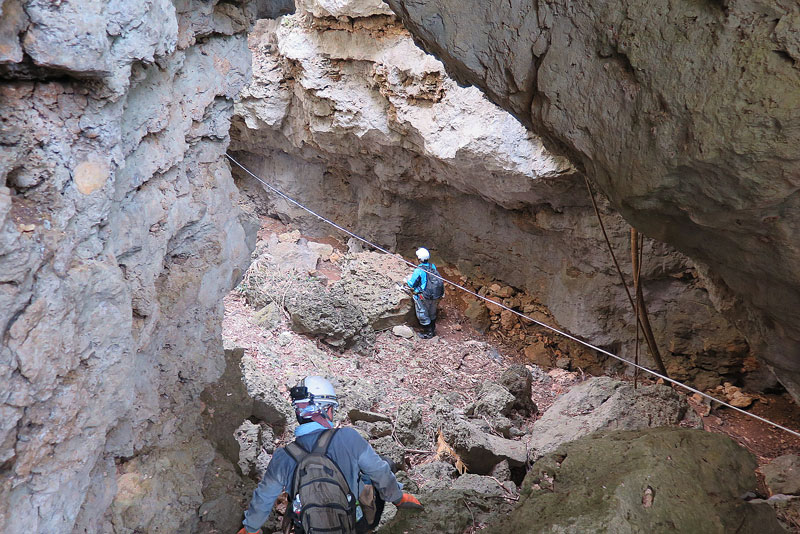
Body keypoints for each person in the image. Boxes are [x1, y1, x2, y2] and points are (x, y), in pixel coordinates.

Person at [237, 376, 422, 534]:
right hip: (353, 525)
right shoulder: (348, 437)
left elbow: (264, 496)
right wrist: (399, 498)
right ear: (324, 410)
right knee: (386, 464)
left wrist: (251, 528)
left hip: (308, 528)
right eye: (331, 409)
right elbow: (380, 473)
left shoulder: (283, 456)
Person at [406, 247, 443, 339]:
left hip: (424, 295)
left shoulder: (419, 270)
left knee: (422, 312)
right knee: (432, 311)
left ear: (419, 259)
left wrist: (406, 280)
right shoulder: (432, 266)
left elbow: (411, 284)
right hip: (435, 295)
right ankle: (432, 329)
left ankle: (428, 332)